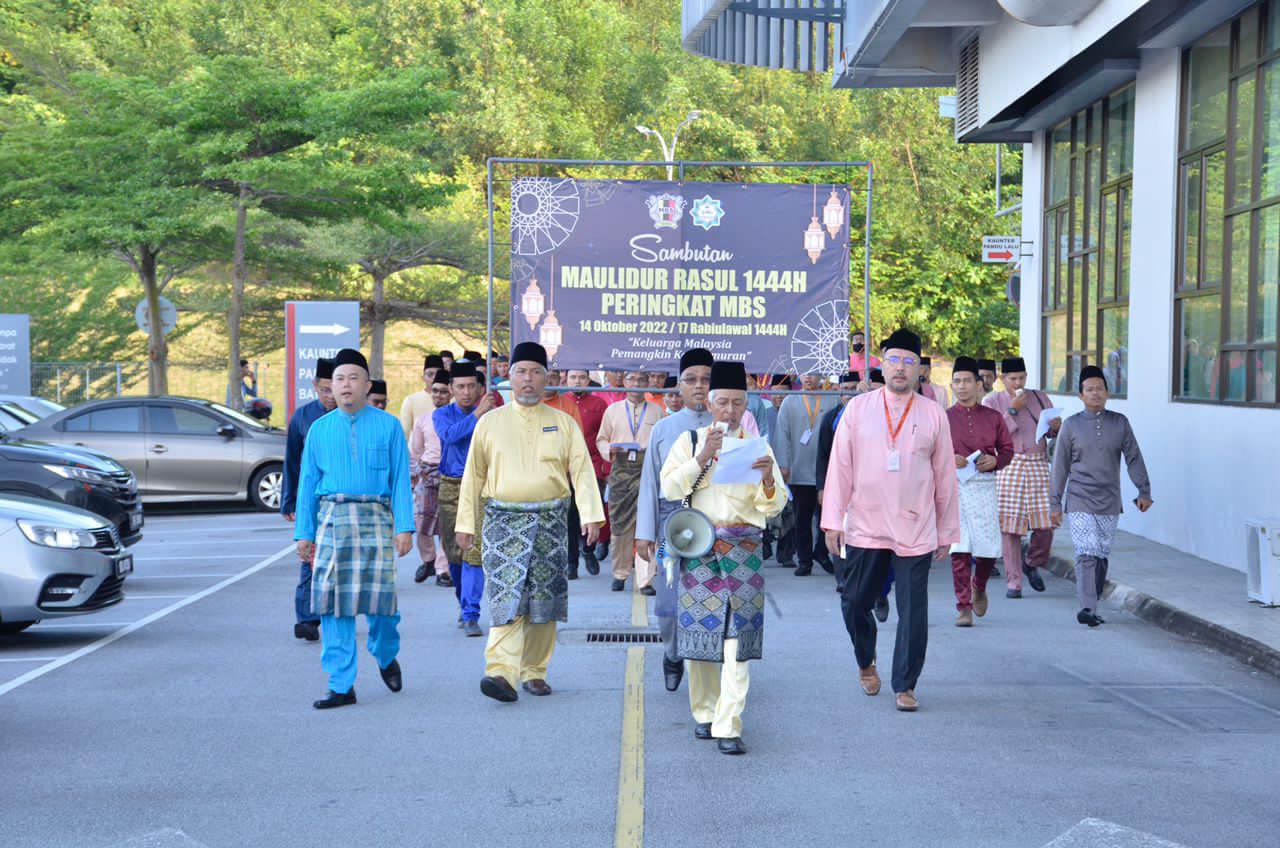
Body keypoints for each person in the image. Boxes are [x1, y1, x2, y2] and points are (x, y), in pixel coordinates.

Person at [456, 342, 604, 702]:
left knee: (544, 599)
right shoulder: (489, 422)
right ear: (510, 377)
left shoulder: (563, 423)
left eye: (535, 372)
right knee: (506, 596)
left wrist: (591, 515)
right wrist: (466, 523)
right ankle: (500, 672)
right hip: (501, 521)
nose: (528, 379)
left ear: (547, 378)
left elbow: (582, 472)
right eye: (521, 371)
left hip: (551, 521)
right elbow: (473, 476)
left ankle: (535, 670)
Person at [821, 329, 960, 712]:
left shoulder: (933, 414)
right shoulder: (858, 410)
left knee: (913, 610)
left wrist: (947, 530)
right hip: (865, 524)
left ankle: (905, 684)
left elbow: (945, 476)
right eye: (894, 360)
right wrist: (833, 519)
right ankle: (866, 661)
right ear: (882, 364)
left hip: (915, 526)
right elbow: (840, 468)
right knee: (854, 601)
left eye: (909, 362)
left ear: (919, 370)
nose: (900, 368)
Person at [660, 361, 788, 755]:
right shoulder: (691, 442)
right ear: (710, 403)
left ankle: (728, 723)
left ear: (746, 405)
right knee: (700, 639)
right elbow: (668, 488)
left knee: (738, 642)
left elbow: (774, 507)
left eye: (737, 403)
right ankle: (704, 712)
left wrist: (767, 479)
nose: (729, 411)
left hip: (744, 551)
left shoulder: (757, 446)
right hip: (700, 550)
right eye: (722, 403)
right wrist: (702, 460)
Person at [294, 348, 414, 709]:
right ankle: (341, 684)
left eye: (353, 378)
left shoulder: (389, 426)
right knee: (333, 607)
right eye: (339, 379)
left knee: (382, 608)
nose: (346, 385)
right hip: (332, 520)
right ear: (330, 386)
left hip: (376, 518)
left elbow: (400, 482)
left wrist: (404, 526)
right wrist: (304, 533)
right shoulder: (318, 430)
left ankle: (385, 654)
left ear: (367, 384)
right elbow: (306, 483)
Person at [636, 348, 715, 693]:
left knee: (712, 600)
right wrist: (644, 533)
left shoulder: (729, 427)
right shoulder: (664, 428)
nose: (699, 387)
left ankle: (708, 674)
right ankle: (672, 654)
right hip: (673, 523)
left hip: (716, 522)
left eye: (706, 380)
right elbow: (650, 482)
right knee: (668, 606)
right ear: (678, 387)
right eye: (691, 380)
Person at [1050, 365, 1153, 627]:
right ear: (1081, 396)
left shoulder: (1120, 423)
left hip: (1109, 499)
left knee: (1101, 553)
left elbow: (1133, 457)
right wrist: (1055, 502)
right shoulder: (1071, 426)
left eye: (1099, 389)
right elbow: (1060, 466)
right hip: (1079, 497)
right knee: (1087, 550)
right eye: (1089, 389)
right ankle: (1087, 606)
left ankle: (1092, 599)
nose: (1095, 393)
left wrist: (1144, 491)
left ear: (1108, 393)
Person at [983, 356, 1061, 598]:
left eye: (1021, 377)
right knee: (1011, 527)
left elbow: (1051, 430)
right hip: (1010, 464)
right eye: (1012, 378)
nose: (1018, 382)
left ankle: (1032, 562)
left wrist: (1057, 426)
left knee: (1046, 523)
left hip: (1038, 463)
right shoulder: (993, 400)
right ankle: (1013, 581)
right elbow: (994, 436)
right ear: (1002, 378)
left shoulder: (1040, 397)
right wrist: (1013, 408)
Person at [946, 358, 1014, 627]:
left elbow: (1007, 450)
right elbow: (931, 451)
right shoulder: (944, 417)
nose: (961, 387)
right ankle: (963, 606)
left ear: (978, 384)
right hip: (956, 487)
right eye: (957, 381)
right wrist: (949, 457)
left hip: (985, 487)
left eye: (966, 381)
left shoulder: (994, 417)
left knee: (987, 549)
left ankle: (979, 585)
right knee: (959, 549)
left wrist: (996, 461)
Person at [434, 361, 494, 634]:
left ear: (481, 387)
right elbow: (450, 436)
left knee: (474, 550)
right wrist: (476, 416)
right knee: (453, 551)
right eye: (460, 387)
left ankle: (471, 612)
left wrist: (484, 415)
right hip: (450, 486)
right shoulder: (442, 415)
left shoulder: (493, 415)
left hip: (481, 486)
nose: (467, 392)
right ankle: (463, 601)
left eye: (472, 386)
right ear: (451, 389)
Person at [281, 357, 337, 642]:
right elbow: (291, 462)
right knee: (308, 557)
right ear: (315, 386)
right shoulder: (302, 417)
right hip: (309, 500)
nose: (330, 396)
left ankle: (337, 611)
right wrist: (288, 501)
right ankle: (307, 618)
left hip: (339, 501)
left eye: (334, 389)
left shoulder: (350, 417)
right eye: (324, 389)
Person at [596, 370, 666, 594]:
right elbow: (601, 439)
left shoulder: (658, 411)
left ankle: (645, 579)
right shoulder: (613, 410)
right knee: (620, 525)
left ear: (648, 383)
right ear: (624, 382)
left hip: (648, 470)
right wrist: (610, 449)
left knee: (647, 524)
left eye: (641, 380)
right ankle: (620, 573)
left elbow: (663, 443)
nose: (636, 384)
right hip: (622, 470)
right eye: (632, 379)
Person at [774, 371, 837, 576]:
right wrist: (783, 463)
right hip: (798, 468)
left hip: (826, 471)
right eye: (804, 374)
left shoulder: (832, 399)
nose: (808, 378)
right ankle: (804, 560)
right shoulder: (790, 401)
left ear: (822, 375)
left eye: (813, 374)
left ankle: (821, 552)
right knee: (802, 518)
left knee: (826, 519)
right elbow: (782, 434)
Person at [409, 370, 453, 585]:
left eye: (443, 392)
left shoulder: (457, 418)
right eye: (435, 391)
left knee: (447, 524)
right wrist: (418, 474)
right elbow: (415, 450)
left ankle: (442, 569)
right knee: (421, 522)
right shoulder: (423, 420)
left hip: (450, 474)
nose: (438, 396)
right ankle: (428, 560)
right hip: (427, 474)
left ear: (451, 393)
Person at [566, 369, 611, 575]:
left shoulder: (599, 404)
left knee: (592, 511)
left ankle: (589, 550)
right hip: (565, 467)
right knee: (570, 515)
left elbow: (603, 437)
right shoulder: (562, 403)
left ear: (588, 380)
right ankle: (572, 562)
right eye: (573, 377)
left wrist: (604, 466)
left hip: (592, 465)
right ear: (566, 380)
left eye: (581, 377)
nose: (577, 381)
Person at [399, 355, 445, 439]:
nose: (434, 378)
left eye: (438, 374)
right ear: (423, 378)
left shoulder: (453, 400)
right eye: (430, 374)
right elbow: (404, 434)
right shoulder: (411, 401)